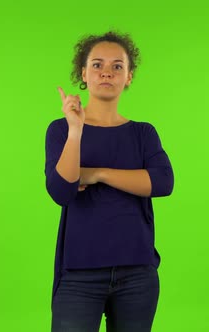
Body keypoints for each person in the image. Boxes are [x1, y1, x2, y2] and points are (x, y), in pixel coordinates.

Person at [44, 30, 174, 332]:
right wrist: (75, 129)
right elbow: (62, 191)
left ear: (128, 76)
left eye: (117, 66)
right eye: (97, 64)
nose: (107, 72)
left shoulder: (143, 133)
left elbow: (162, 183)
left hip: (137, 274)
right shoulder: (61, 130)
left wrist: (97, 173)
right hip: (78, 275)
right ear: (83, 74)